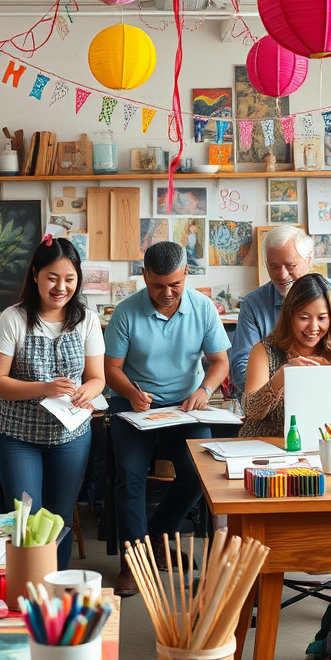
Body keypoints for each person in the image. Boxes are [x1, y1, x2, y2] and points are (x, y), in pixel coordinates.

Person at [104, 241, 230, 596]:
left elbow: (219, 360)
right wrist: (130, 391)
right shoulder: (126, 312)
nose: (167, 293)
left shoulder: (204, 308)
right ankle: (134, 562)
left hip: (184, 405)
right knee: (129, 476)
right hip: (134, 404)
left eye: (175, 284)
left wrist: (204, 389)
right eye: (158, 285)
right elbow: (110, 368)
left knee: (199, 473)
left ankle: (157, 532)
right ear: (144, 276)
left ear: (186, 273)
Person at [0, 234, 105, 569]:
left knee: (60, 518)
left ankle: (54, 586)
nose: (60, 287)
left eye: (69, 279)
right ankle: (26, 590)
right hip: (19, 439)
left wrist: (88, 391)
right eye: (52, 278)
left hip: (70, 437)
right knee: (26, 521)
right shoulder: (13, 318)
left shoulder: (86, 319)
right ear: (35, 274)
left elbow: (98, 377)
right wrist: (44, 388)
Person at [230, 225, 331, 391]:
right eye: (274, 266)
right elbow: (240, 368)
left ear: (309, 259)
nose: (282, 276)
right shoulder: (253, 304)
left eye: (290, 266)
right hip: (272, 402)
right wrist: (283, 385)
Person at [241, 273, 331, 437]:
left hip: (318, 447)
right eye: (304, 318)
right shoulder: (264, 351)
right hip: (265, 446)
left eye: (322, 318)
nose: (313, 327)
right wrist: (282, 376)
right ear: (289, 317)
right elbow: (252, 410)